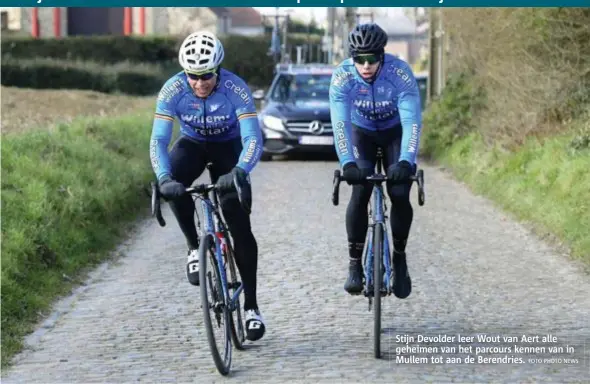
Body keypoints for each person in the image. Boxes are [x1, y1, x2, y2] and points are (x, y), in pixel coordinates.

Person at [149, 30, 266, 341]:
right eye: (193, 76)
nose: (200, 83)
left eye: (206, 76)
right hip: (192, 144)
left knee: (238, 223)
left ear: (218, 70)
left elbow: (253, 138)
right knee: (173, 181)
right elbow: (159, 140)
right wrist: (162, 178)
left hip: (228, 148)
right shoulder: (172, 89)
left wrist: (240, 170)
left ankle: (252, 307)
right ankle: (192, 248)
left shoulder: (235, 89)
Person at [329, 23, 422, 299]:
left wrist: (406, 161)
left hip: (394, 132)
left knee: (400, 192)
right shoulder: (342, 77)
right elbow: (340, 124)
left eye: (372, 59)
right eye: (359, 59)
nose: (366, 66)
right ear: (352, 58)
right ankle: (355, 264)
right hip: (362, 133)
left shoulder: (400, 74)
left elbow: (412, 122)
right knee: (360, 190)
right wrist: (347, 163)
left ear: (382, 56)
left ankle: (400, 258)